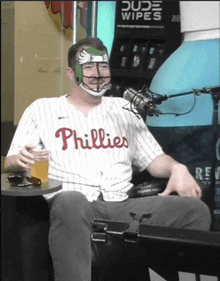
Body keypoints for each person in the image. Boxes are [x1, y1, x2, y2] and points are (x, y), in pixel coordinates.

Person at [4, 37, 211, 281]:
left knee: (194, 210)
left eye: (103, 66)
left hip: (124, 205)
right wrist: (20, 160)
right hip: (74, 206)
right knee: (71, 200)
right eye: (88, 67)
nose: (97, 73)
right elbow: (10, 161)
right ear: (72, 73)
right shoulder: (42, 109)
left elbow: (153, 160)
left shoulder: (124, 108)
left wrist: (177, 168)